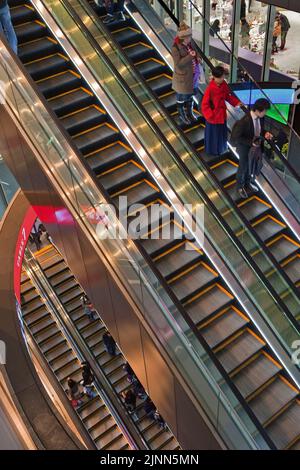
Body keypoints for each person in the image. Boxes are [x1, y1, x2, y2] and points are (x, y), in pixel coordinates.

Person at [230, 98, 272, 199]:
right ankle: (239, 186)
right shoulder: (244, 121)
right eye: (265, 111)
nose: (265, 113)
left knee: (251, 166)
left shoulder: (261, 118)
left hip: (255, 149)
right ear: (258, 110)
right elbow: (236, 137)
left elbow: (260, 129)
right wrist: (250, 142)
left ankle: (248, 183)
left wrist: (265, 133)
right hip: (245, 149)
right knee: (243, 167)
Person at [201, 65, 241, 156]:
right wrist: (211, 115)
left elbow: (227, 96)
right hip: (214, 117)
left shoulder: (223, 84)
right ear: (215, 77)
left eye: (223, 76)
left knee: (221, 134)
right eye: (221, 77)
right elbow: (204, 105)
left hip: (221, 115)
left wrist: (236, 103)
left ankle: (221, 149)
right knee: (214, 136)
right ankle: (213, 151)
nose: (223, 78)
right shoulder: (210, 89)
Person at [171, 22, 205, 126]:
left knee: (190, 96)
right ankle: (182, 116)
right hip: (183, 78)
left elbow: (196, 52)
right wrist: (190, 56)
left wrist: (198, 57)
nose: (190, 38)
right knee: (181, 98)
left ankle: (190, 113)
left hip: (193, 77)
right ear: (183, 37)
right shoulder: (175, 48)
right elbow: (178, 64)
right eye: (188, 36)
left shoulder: (190, 44)